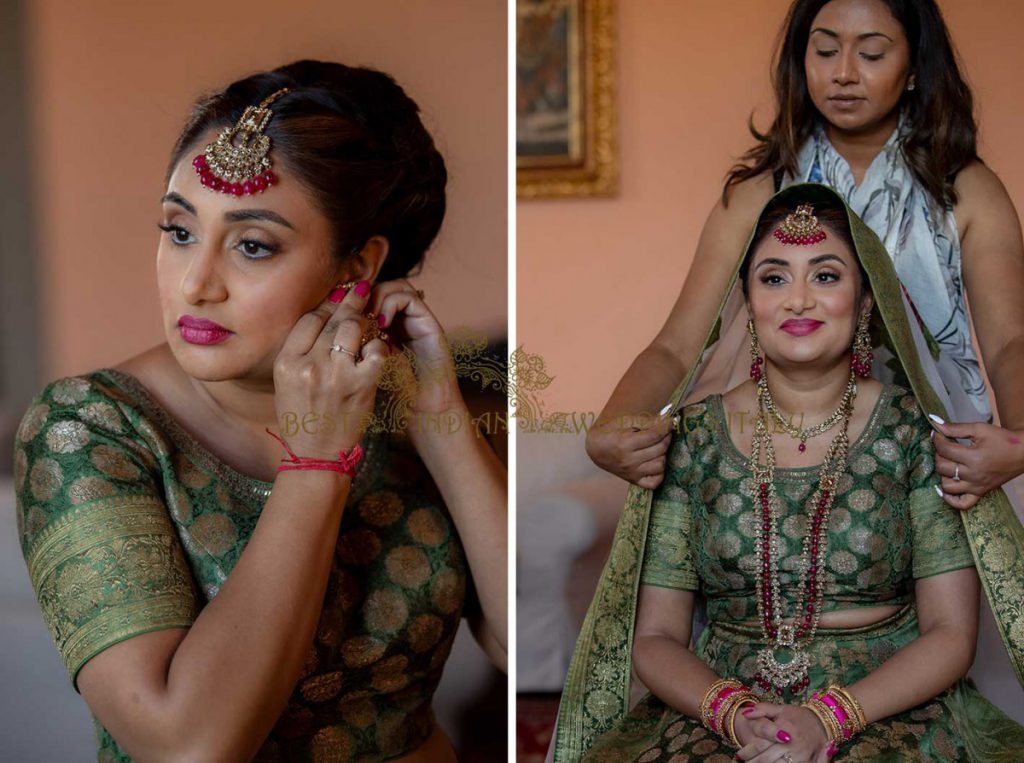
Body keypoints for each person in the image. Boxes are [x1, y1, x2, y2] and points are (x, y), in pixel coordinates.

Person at [13, 60, 507, 762]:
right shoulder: (88, 427)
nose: (196, 283)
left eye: (252, 245)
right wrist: (314, 464)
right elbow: (186, 746)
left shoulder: (395, 406)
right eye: (179, 230)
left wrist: (439, 416)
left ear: (358, 267)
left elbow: (528, 645)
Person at [551, 184, 1024, 762]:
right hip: (722, 709)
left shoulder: (914, 435)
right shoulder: (694, 439)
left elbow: (951, 635)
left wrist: (828, 720)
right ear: (747, 302)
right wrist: (739, 716)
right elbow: (654, 638)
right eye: (774, 278)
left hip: (888, 705)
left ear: (867, 301)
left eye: (825, 276)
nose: (798, 299)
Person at [584, 0, 1024, 517]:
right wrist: (610, 426)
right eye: (825, 49)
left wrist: (1018, 442)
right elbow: (679, 346)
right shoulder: (759, 193)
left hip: (939, 467)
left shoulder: (965, 190)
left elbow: (1009, 343)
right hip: (787, 462)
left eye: (873, 53)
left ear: (913, 70)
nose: (843, 73)